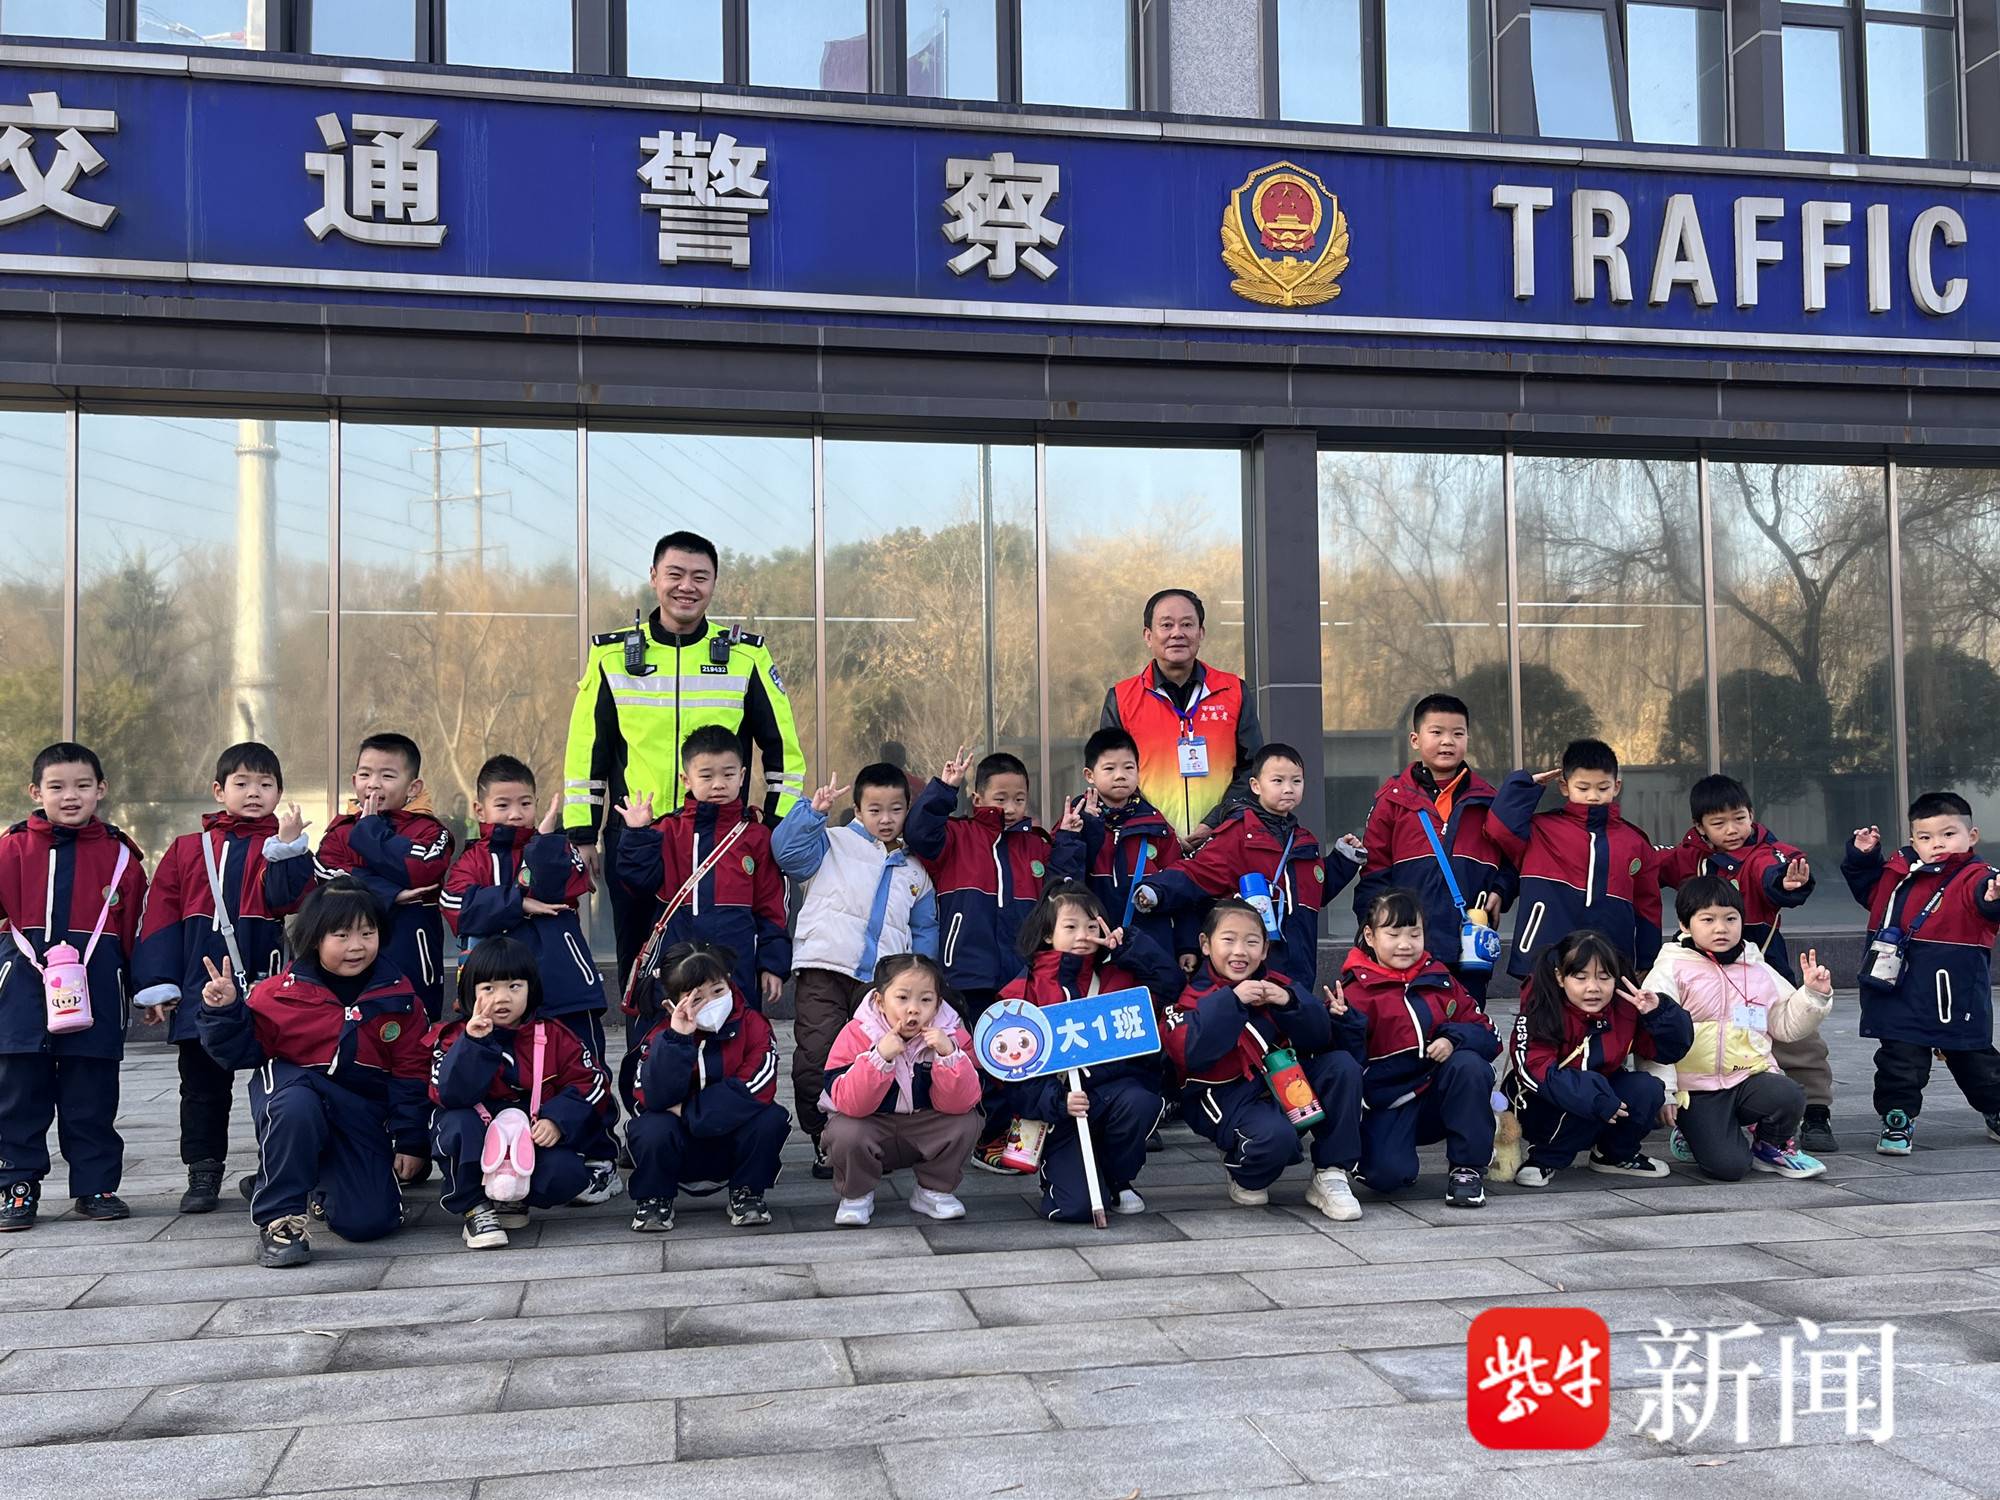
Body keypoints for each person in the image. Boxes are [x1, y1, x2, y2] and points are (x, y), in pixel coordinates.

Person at [562, 529, 806, 985]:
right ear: (654, 577)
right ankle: (643, 1034)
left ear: (713, 583)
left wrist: (775, 829)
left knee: (724, 970)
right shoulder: (612, 656)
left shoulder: (745, 657)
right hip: (640, 839)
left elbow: (784, 752)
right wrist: (582, 833)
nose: (686, 587)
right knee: (641, 966)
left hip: (724, 839)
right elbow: (586, 751)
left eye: (700, 576)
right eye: (675, 574)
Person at [196, 878, 431, 1267]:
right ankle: (279, 1219)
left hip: (358, 1114)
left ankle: (311, 1180)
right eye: (341, 935)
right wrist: (223, 1013)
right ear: (314, 938)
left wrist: (411, 1140)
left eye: (367, 933)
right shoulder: (275, 994)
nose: (356, 946)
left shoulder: (400, 999)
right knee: (294, 1104)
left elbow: (412, 1072)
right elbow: (237, 1053)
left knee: (370, 1222)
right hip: (296, 1101)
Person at [131, 742, 313, 1214]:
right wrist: (159, 983)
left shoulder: (284, 847)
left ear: (279, 793)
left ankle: (276, 1168)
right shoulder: (187, 850)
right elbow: (160, 919)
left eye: (266, 784)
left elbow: (290, 901)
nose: (254, 793)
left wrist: (288, 850)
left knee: (280, 1083)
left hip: (270, 988)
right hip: (202, 987)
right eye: (242, 783)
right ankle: (203, 1171)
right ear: (219, 790)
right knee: (201, 1087)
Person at [440, 753, 622, 1204]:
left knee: (587, 1068)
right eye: (502, 805)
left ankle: (600, 1157)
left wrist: (542, 842)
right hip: (501, 995)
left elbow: (565, 884)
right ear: (480, 809)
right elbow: (458, 906)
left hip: (566, 987)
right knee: (510, 1072)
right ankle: (510, 1151)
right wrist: (519, 903)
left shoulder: (554, 846)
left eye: (525, 803)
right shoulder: (472, 859)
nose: (515, 813)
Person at [0, 742, 148, 1232]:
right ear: (35, 792)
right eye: (57, 787)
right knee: (18, 1092)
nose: (70, 796)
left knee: (93, 1094)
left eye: (83, 786)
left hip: (98, 988)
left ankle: (96, 1186)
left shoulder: (122, 856)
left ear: (100, 789)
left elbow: (136, 929)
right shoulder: (12, 847)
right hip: (22, 992)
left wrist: (146, 988)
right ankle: (16, 1186)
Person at [772, 765, 938, 1180]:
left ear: (907, 810)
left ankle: (868, 1137)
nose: (886, 819)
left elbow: (924, 928)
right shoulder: (832, 842)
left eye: (896, 809)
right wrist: (812, 813)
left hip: (882, 984)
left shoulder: (915, 869)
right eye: (875, 810)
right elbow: (787, 855)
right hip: (824, 969)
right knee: (817, 1054)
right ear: (859, 810)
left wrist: (924, 980)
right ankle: (822, 1136)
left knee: (876, 1057)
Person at [1655, 773, 1833, 1154]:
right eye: (1718, 823)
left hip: (1759, 962)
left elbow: (1774, 873)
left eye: (1739, 818)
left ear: (1751, 814)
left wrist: (1787, 883)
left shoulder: (1765, 853)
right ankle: (1697, 1116)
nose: (1732, 830)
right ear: (1700, 827)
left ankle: (1816, 1112)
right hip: (1701, 967)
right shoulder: (1688, 857)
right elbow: (1649, 864)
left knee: (1799, 1041)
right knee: (1701, 1034)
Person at [1163, 898, 1365, 1221]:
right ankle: (1243, 1171)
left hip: (1286, 1085)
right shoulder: (1192, 997)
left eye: (1251, 942)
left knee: (1341, 1067)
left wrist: (1290, 1002)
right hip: (1228, 1100)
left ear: (1265, 949)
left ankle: (1331, 1172)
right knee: (1273, 1141)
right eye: (1228, 940)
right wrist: (1232, 1002)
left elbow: (1321, 1036)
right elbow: (1188, 1052)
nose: (1240, 951)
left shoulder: (1278, 984)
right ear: (1205, 944)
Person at [989, 885, 1182, 1217]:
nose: (1082, 935)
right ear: (1048, 934)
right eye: (1071, 926)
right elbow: (1012, 1076)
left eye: (1091, 926)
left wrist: (1131, 946)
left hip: (1114, 1098)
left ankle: (1119, 1179)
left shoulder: (1120, 977)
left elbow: (1171, 986)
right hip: (1060, 1113)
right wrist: (1057, 1101)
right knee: (1074, 1209)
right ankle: (1068, 1175)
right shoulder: (1021, 994)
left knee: (1139, 1101)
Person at [1638, 876, 1832, 1182]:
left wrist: (1812, 996)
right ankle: (1693, 1132)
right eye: (1708, 919)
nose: (1721, 928)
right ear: (1685, 925)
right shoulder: (1670, 970)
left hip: (1748, 1078)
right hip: (1696, 1090)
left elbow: (1785, 1025)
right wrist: (1666, 1091)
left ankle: (1770, 1146)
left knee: (1788, 1094)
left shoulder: (1757, 968)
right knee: (1729, 1167)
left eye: (1730, 918)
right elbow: (1655, 1037)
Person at [428, 937, 617, 1250]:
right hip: (477, 1134)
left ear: (531, 988)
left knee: (566, 1173)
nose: (502, 998)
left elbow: (593, 1083)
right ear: (470, 992)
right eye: (488, 988)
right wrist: (474, 1044)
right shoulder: (454, 1038)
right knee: (456, 1123)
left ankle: (514, 1198)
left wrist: (557, 1120)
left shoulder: (554, 1034)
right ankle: (475, 1206)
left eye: (514, 986)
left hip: (528, 1138)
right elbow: (446, 1094)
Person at [1841, 792, 2000, 1155]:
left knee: (1976, 1061)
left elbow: (1986, 899)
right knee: (1899, 1062)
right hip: (1896, 991)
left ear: (1972, 836)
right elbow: (1867, 887)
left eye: (1949, 834)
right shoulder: (1897, 873)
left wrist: (1993, 898)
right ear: (1913, 840)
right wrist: (1863, 857)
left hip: (1953, 995)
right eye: (1926, 837)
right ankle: (1897, 1119)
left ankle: (1995, 1108)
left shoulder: (1976, 876)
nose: (1937, 844)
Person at [1132, 743, 1365, 983]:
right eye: (1278, 781)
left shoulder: (1304, 840)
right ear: (1255, 786)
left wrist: (1345, 858)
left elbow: (1315, 894)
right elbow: (1198, 873)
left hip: (1299, 973)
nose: (1288, 789)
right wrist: (1156, 890)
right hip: (1249, 972)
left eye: (1296, 781)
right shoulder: (1239, 834)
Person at [615, 725, 790, 1040]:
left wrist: (773, 964)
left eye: (728, 774)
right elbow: (636, 885)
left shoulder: (756, 836)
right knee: (674, 1034)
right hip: (677, 960)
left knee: (739, 1036)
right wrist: (637, 835)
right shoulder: (667, 830)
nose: (718, 784)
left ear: (742, 776)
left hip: (737, 963)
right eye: (706, 776)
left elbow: (772, 906)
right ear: (686, 779)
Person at [1334, 888, 1498, 1209]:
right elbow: (1346, 1065)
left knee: (1469, 1065)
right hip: (1388, 1103)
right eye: (1393, 934)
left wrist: (1453, 1038)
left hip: (1438, 1096)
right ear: (1370, 936)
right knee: (1386, 1177)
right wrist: (1343, 1024)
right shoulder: (1354, 992)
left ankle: (1467, 1168)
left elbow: (1489, 1035)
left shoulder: (1441, 978)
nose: (1405, 944)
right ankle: (1386, 1156)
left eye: (1414, 933)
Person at [1352, 694, 1515, 1005]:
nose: (1447, 741)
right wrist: (1374, 931)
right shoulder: (1392, 800)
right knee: (1410, 1022)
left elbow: (1513, 859)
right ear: (1415, 739)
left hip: (1469, 945)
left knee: (1467, 1022)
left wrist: (1501, 890)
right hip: (1407, 944)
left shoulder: (1489, 800)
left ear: (1468, 738)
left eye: (1457, 733)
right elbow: (1374, 872)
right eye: (1436, 732)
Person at [1502, 929, 1693, 1188]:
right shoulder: (1542, 1008)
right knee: (1583, 1095)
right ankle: (1544, 1158)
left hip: (1601, 1095)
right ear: (1560, 977)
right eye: (1580, 978)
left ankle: (1613, 1155)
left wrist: (1659, 1013)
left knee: (1646, 1089)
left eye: (1604, 977)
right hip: (1539, 1099)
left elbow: (1668, 1051)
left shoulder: (1624, 1009)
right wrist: (1593, 1096)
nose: (1593, 988)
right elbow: (1534, 1069)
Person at [623, 943, 788, 1233]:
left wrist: (689, 1111)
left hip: (731, 1137)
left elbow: (755, 1088)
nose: (711, 1002)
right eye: (697, 998)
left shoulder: (754, 1025)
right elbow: (651, 1097)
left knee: (770, 1118)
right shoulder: (659, 1035)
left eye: (718, 991)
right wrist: (677, 1040)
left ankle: (747, 1191)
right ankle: (655, 1197)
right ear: (673, 1003)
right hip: (679, 1146)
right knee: (650, 1127)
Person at [295, 733, 455, 1022]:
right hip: (350, 954)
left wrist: (369, 830)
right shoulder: (341, 831)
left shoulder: (430, 831)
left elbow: (422, 870)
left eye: (387, 775)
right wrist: (392, 893)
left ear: (413, 787)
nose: (373, 784)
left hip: (412, 953)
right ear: (354, 780)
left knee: (413, 1031)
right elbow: (328, 873)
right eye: (365, 774)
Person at [820, 952, 982, 1226]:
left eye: (926, 1000)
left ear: (938, 1003)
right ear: (880, 1001)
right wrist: (879, 1058)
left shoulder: (952, 1033)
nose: (913, 1009)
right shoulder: (858, 1032)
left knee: (967, 1121)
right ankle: (856, 1195)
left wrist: (949, 1054)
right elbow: (851, 1104)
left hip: (925, 1125)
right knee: (845, 1130)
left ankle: (933, 1191)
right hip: (871, 1124)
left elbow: (961, 1103)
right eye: (903, 998)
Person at [1488, 738, 1662, 983]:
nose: (1593, 796)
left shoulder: (1635, 841)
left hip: (1609, 964)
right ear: (1564, 786)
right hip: (1543, 956)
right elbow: (1498, 829)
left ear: (1616, 787)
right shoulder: (1541, 829)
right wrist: (1525, 786)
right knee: (1542, 1008)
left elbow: (1648, 906)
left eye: (1602, 788)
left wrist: (1647, 960)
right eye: (1583, 788)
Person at [1099, 588, 1263, 844]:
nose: (1177, 633)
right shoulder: (1122, 698)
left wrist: (1215, 822)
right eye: (1166, 625)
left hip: (1222, 841)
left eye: (1187, 624)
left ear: (1201, 632)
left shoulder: (1233, 692)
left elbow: (1253, 769)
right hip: (1147, 843)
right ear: (1148, 635)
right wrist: (1158, 827)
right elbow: (1111, 774)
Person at [905, 746, 1054, 1018]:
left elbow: (1061, 889)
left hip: (1024, 976)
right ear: (977, 798)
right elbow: (918, 833)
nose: (1011, 808)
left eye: (1019, 799)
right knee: (966, 1042)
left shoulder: (1037, 845)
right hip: (966, 973)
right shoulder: (957, 836)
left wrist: (1070, 837)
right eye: (1001, 799)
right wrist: (945, 790)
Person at [1049, 727, 1197, 971]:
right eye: (1109, 769)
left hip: (1150, 951)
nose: (1120, 776)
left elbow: (1181, 886)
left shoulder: (1156, 826)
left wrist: (1186, 945)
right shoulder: (1073, 821)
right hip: (1090, 952)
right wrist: (1082, 831)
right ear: (1089, 775)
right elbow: (1061, 885)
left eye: (1128, 767)